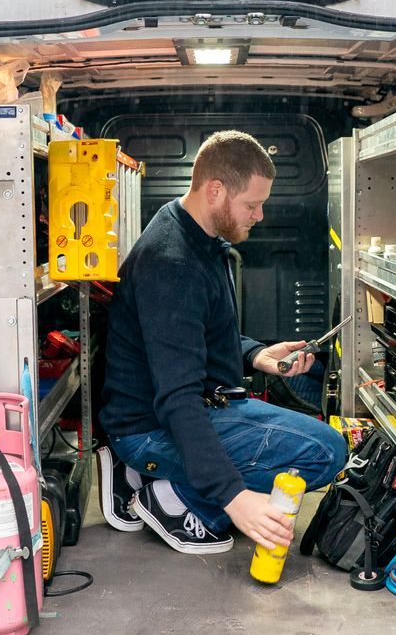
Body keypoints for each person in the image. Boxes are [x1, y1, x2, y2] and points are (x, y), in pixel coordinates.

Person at [97, 130, 348, 554]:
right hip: (151, 428)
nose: (261, 215)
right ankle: (175, 502)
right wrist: (234, 498)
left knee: (313, 440)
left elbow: (198, 335)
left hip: (174, 410)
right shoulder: (171, 263)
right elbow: (178, 398)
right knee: (325, 452)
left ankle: (143, 477)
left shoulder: (193, 233)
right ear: (215, 190)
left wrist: (256, 355)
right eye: (252, 204)